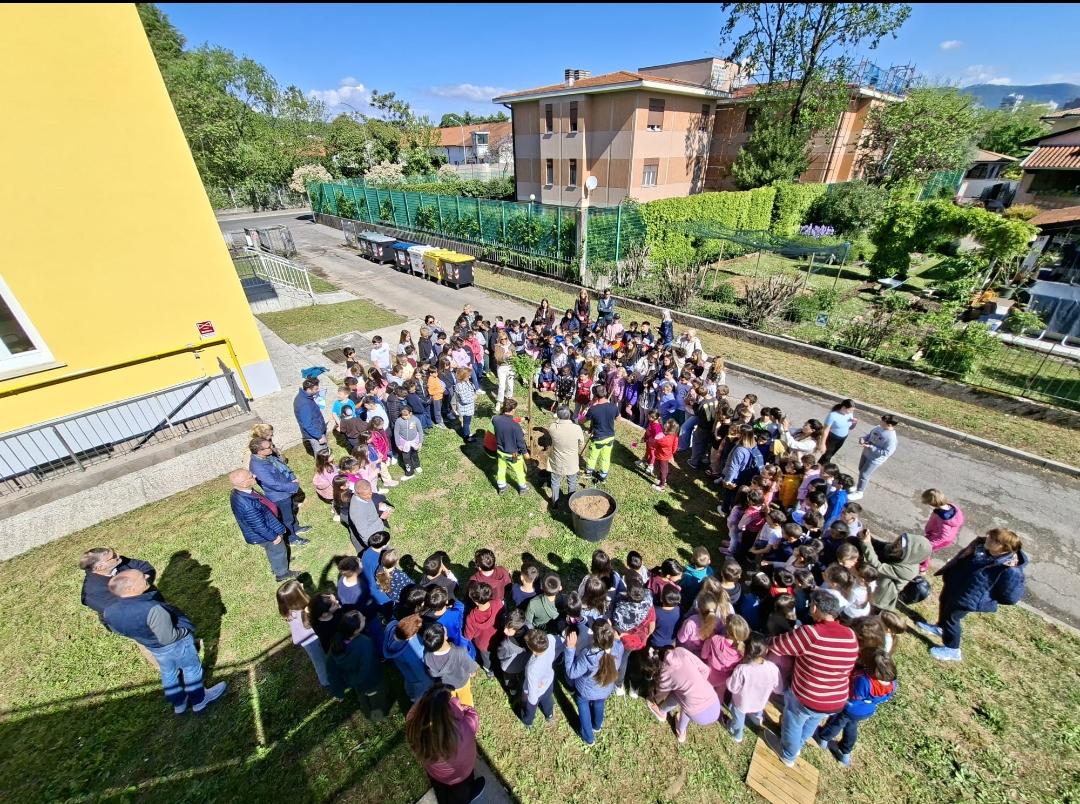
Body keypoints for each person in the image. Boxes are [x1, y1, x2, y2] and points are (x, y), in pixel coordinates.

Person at [102, 569, 227, 715]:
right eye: (142, 577)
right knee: (191, 669)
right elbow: (168, 637)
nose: (147, 576)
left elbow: (118, 630)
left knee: (169, 673)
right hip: (177, 644)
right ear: (131, 588)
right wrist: (185, 631)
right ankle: (200, 700)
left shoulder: (109, 611)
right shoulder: (152, 608)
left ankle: (179, 703)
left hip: (154, 647)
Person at [767, 589, 859, 767]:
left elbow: (779, 646)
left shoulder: (811, 633)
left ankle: (788, 754)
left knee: (793, 721)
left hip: (807, 696)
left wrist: (765, 642)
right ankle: (798, 744)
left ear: (815, 608)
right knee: (813, 720)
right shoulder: (850, 635)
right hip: (836, 698)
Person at [917, 528, 1028, 662]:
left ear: (1004, 547)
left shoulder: (1010, 570)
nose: (988, 539)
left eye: (994, 539)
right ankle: (941, 628)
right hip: (954, 587)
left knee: (952, 619)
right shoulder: (981, 547)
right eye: (990, 535)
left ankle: (952, 650)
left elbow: (1010, 597)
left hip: (968, 598)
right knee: (945, 606)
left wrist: (985, 596)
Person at [405, 685, 486, 804]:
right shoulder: (463, 727)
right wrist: (457, 705)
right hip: (462, 775)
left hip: (437, 774)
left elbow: (412, 714)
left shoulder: (415, 729)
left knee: (441, 790)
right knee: (461, 795)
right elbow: (473, 715)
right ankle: (467, 797)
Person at [641, 645, 722, 744]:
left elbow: (661, 693)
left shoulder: (664, 673)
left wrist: (655, 698)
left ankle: (661, 712)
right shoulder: (681, 651)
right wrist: (697, 686)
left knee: (682, 697)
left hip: (696, 713)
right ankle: (681, 733)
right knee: (686, 699)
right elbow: (705, 669)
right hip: (715, 704)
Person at [228, 468, 298, 582]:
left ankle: (279, 564)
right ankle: (282, 573)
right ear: (244, 483)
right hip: (267, 533)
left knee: (274, 551)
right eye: (251, 476)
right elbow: (259, 526)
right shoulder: (246, 505)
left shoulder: (243, 491)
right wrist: (274, 536)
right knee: (277, 550)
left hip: (268, 526)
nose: (255, 475)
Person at [564, 619, 623, 745]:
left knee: (583, 705)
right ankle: (597, 725)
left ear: (594, 639)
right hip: (605, 688)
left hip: (586, 691)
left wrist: (570, 649)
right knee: (599, 703)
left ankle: (588, 737)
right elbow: (615, 643)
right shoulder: (619, 647)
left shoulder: (588, 655)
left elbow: (571, 672)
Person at [326, 611, 388, 719]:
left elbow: (331, 670)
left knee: (363, 697)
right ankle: (378, 716)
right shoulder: (365, 643)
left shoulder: (336, 642)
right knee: (377, 700)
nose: (364, 617)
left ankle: (366, 712)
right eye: (362, 619)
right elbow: (368, 668)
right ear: (355, 630)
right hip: (372, 682)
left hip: (354, 682)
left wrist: (338, 691)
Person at [248, 438, 310, 545]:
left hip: (285, 490)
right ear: (259, 451)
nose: (271, 448)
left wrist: (292, 478)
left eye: (271, 445)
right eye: (268, 447)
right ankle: (292, 538)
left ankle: (295, 528)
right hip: (279, 496)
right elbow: (273, 484)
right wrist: (292, 485)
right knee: (286, 518)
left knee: (290, 513)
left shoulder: (266, 456)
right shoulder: (257, 466)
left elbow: (283, 466)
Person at [725, 632, 783, 743]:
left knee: (738, 718)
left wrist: (728, 680)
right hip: (760, 703)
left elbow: (732, 687)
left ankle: (737, 734)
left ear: (746, 650)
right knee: (757, 712)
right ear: (766, 650)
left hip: (742, 704)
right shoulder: (773, 668)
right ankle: (757, 721)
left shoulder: (742, 669)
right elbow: (779, 689)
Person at [856, 529, 931, 612]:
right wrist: (868, 537)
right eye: (900, 540)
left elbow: (877, 566)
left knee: (866, 612)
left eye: (901, 545)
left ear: (910, 553)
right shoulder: (899, 551)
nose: (897, 543)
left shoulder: (908, 571)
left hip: (880, 596)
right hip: (875, 584)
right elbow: (881, 545)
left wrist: (866, 543)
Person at [277, 580, 329, 688]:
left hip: (305, 641)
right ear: (297, 597)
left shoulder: (288, 609)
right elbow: (312, 624)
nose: (302, 584)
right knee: (320, 662)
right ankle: (327, 682)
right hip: (312, 640)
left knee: (319, 660)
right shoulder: (307, 610)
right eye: (299, 587)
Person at [80, 547, 158, 620]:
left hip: (152, 601)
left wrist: (144, 584)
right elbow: (118, 612)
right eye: (113, 556)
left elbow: (146, 568)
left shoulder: (119, 561)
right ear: (100, 567)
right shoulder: (92, 593)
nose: (118, 555)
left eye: (114, 553)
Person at [422, 622, 479, 707]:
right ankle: (468, 713)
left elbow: (432, 673)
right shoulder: (459, 652)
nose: (444, 627)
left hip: (446, 685)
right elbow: (472, 669)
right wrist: (472, 673)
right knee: (466, 701)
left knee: (452, 702)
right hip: (462, 683)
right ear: (445, 637)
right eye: (443, 629)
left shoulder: (427, 656)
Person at [383, 613, 434, 703]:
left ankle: (410, 693)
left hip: (404, 669)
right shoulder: (413, 653)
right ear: (410, 636)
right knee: (419, 687)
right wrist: (431, 683)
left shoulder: (391, 627)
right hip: (417, 677)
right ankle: (416, 701)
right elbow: (421, 676)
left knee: (409, 681)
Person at [849, 415, 898, 501]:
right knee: (861, 470)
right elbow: (870, 435)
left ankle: (860, 492)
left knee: (864, 474)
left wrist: (871, 447)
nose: (880, 422)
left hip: (874, 459)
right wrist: (864, 439)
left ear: (889, 425)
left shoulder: (891, 438)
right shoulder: (878, 428)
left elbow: (886, 453)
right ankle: (859, 486)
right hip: (866, 453)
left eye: (883, 422)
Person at [546, 406, 585, 507]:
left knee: (555, 482)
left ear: (558, 416)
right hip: (571, 461)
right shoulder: (577, 428)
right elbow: (581, 444)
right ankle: (571, 503)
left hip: (557, 460)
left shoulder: (552, 427)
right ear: (570, 415)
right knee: (572, 482)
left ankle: (555, 503)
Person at [921, 489, 966, 572]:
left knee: (925, 549)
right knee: (925, 549)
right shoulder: (952, 507)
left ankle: (923, 567)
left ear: (931, 503)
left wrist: (930, 544)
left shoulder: (942, 518)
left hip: (938, 538)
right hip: (937, 534)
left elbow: (944, 537)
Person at [521, 628, 558, 727]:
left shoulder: (532, 668)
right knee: (547, 700)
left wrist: (531, 702)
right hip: (548, 681)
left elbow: (532, 692)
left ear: (532, 649)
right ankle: (549, 715)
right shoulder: (550, 639)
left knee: (531, 707)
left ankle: (528, 721)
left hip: (537, 690)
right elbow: (561, 643)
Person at [492, 399, 529, 496]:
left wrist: (523, 419)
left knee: (501, 468)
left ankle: (502, 487)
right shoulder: (515, 427)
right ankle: (523, 488)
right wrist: (525, 453)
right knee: (519, 471)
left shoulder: (495, 419)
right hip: (513, 454)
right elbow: (520, 442)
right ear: (512, 410)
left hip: (500, 451)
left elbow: (508, 421)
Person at [582, 386, 618, 483]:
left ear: (595, 395)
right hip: (610, 436)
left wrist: (585, 411)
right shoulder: (614, 406)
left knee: (593, 456)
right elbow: (618, 419)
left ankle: (589, 473)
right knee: (606, 457)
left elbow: (582, 421)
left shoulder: (593, 409)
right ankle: (603, 476)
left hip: (598, 438)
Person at [347, 480, 393, 554]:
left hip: (377, 529)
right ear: (356, 493)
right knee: (385, 554)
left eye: (370, 493)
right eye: (366, 495)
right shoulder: (358, 512)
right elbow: (364, 533)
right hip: (374, 538)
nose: (369, 496)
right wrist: (381, 519)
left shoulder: (363, 497)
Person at [294, 377, 328, 455]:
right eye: (316, 389)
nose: (318, 390)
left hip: (317, 429)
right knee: (321, 455)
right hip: (315, 435)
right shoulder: (304, 404)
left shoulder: (305, 397)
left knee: (324, 452)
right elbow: (307, 425)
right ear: (309, 389)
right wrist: (319, 436)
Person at [818, 399, 857, 464]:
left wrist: (854, 423)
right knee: (826, 456)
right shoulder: (833, 415)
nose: (851, 412)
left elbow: (850, 428)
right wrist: (822, 444)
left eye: (852, 410)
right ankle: (822, 467)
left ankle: (824, 465)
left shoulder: (850, 414)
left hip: (843, 438)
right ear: (844, 407)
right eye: (850, 410)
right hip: (832, 438)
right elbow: (825, 430)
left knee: (831, 454)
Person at [394, 405, 424, 479]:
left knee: (414, 454)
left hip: (414, 441)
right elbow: (396, 432)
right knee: (406, 458)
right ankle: (409, 472)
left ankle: (417, 465)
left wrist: (420, 442)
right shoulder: (398, 421)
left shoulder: (416, 420)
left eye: (406, 415)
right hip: (404, 443)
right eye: (402, 415)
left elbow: (420, 431)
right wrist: (398, 444)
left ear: (411, 413)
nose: (404, 417)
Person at [453, 368, 476, 443]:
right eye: (468, 376)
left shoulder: (465, 382)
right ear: (463, 376)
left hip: (469, 407)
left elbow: (471, 389)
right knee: (466, 423)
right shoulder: (460, 386)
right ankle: (467, 437)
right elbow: (464, 400)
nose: (469, 377)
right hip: (465, 408)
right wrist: (473, 397)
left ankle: (467, 432)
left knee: (467, 422)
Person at [493, 330, 515, 407]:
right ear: (499, 339)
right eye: (502, 339)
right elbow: (497, 358)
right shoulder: (497, 347)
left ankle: (509, 398)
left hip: (510, 367)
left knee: (510, 385)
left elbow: (515, 356)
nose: (504, 340)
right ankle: (499, 401)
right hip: (501, 367)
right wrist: (504, 356)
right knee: (502, 386)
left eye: (505, 338)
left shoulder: (511, 345)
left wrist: (512, 355)